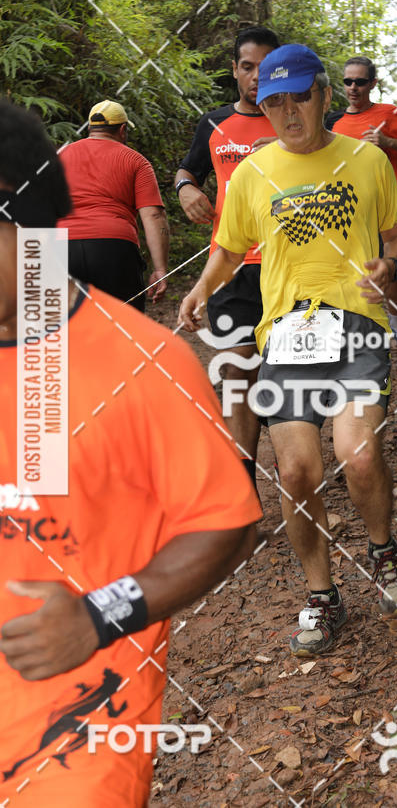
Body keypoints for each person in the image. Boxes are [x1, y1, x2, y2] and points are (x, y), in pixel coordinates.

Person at [0, 100, 261, 807]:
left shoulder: (146, 363)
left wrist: (96, 617)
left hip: (76, 730)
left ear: (30, 233)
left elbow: (227, 521)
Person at [179, 44, 397, 657]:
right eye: (274, 104)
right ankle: (322, 593)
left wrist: (389, 262)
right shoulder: (255, 173)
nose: (289, 114)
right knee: (295, 470)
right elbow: (231, 249)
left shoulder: (367, 161)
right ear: (264, 107)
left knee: (358, 456)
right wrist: (201, 287)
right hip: (285, 332)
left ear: (322, 97)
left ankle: (382, 549)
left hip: (358, 323)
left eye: (298, 100)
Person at [175, 26, 280, 490]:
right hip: (232, 267)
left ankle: (298, 472)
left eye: (266, 66)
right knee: (238, 373)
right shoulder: (214, 124)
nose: (257, 76)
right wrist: (186, 189)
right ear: (234, 70)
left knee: (289, 377)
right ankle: (243, 484)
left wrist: (283, 146)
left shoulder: (301, 122)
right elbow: (187, 166)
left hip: (290, 268)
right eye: (247, 66)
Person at [325, 57, 397, 354]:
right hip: (344, 202)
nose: (353, 88)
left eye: (360, 81)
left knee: (395, 264)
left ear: (373, 84)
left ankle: (396, 323)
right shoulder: (331, 121)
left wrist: (388, 142)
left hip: (386, 196)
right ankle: (355, 329)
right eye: (348, 81)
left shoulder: (390, 113)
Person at [58, 100, 169, 312]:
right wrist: (160, 269)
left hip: (60, 247)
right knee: (122, 326)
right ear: (123, 129)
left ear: (90, 128)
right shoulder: (136, 161)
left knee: (61, 331)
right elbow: (154, 215)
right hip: (113, 248)